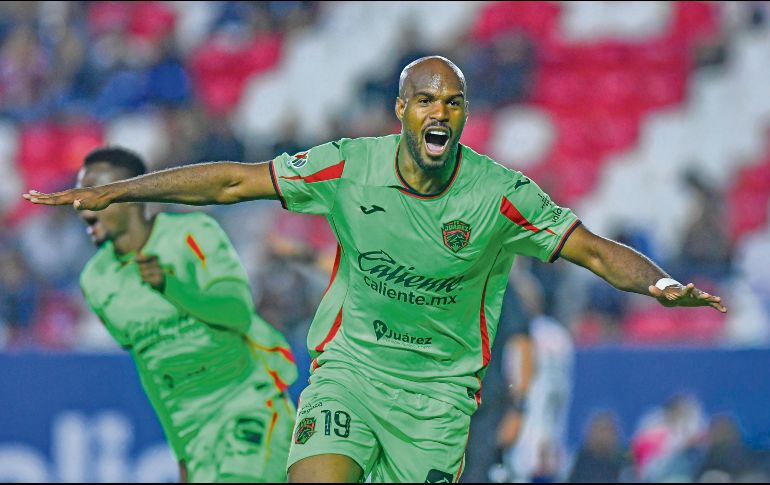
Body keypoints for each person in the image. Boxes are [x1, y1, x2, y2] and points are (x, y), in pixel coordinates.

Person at [24, 56, 727, 483]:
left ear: (465, 115)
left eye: (452, 101)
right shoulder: (347, 166)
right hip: (350, 372)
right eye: (425, 98)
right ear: (402, 111)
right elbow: (236, 182)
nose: (439, 110)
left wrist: (660, 282)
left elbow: (594, 249)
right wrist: (120, 190)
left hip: (437, 399)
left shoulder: (500, 195)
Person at [64, 147, 297, 482]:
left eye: (92, 195)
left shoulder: (192, 233)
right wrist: (181, 453)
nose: (81, 207)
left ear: (128, 197)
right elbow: (149, 368)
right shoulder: (96, 281)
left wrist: (171, 287)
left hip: (246, 401)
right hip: (192, 429)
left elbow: (238, 313)